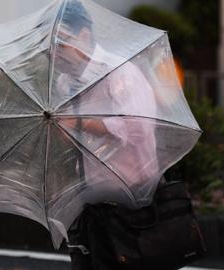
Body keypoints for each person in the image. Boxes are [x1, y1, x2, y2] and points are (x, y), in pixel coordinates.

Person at [50, 1, 161, 268]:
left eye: (62, 43)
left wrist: (78, 121)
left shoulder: (118, 73)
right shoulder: (64, 82)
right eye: (52, 47)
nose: (57, 54)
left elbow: (138, 128)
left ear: (84, 36)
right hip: (89, 200)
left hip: (130, 199)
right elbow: (71, 137)